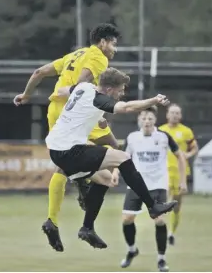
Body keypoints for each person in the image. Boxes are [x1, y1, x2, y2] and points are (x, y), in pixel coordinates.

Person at [13, 23, 120, 251]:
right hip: (76, 111)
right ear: (102, 42)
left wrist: (26, 95)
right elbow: (80, 84)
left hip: (55, 111)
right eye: (113, 43)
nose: (114, 49)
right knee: (112, 148)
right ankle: (84, 194)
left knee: (66, 160)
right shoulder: (99, 57)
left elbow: (39, 72)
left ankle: (55, 217)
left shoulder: (74, 54)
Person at [45, 68, 178, 249]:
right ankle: (153, 206)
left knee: (106, 178)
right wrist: (154, 100)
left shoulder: (83, 87)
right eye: (120, 89)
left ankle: (87, 228)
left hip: (56, 149)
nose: (122, 93)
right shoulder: (98, 98)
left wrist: (94, 118)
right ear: (108, 90)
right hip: (69, 151)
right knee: (122, 158)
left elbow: (62, 91)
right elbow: (127, 107)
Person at [118, 107, 187, 272]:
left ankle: (161, 259)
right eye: (143, 118)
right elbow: (122, 158)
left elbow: (181, 156)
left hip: (157, 184)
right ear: (139, 120)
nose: (147, 121)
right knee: (127, 219)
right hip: (136, 184)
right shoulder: (132, 138)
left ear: (155, 120)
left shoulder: (163, 137)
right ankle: (132, 250)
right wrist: (114, 172)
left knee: (159, 220)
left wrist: (183, 180)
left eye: (150, 118)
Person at [159, 104, 198, 245]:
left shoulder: (186, 131)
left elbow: (194, 148)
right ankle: (161, 227)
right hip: (164, 170)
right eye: (172, 112)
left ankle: (171, 233)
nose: (174, 115)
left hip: (180, 171)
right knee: (164, 198)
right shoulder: (161, 130)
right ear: (167, 115)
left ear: (180, 116)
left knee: (176, 203)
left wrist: (188, 154)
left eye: (177, 113)